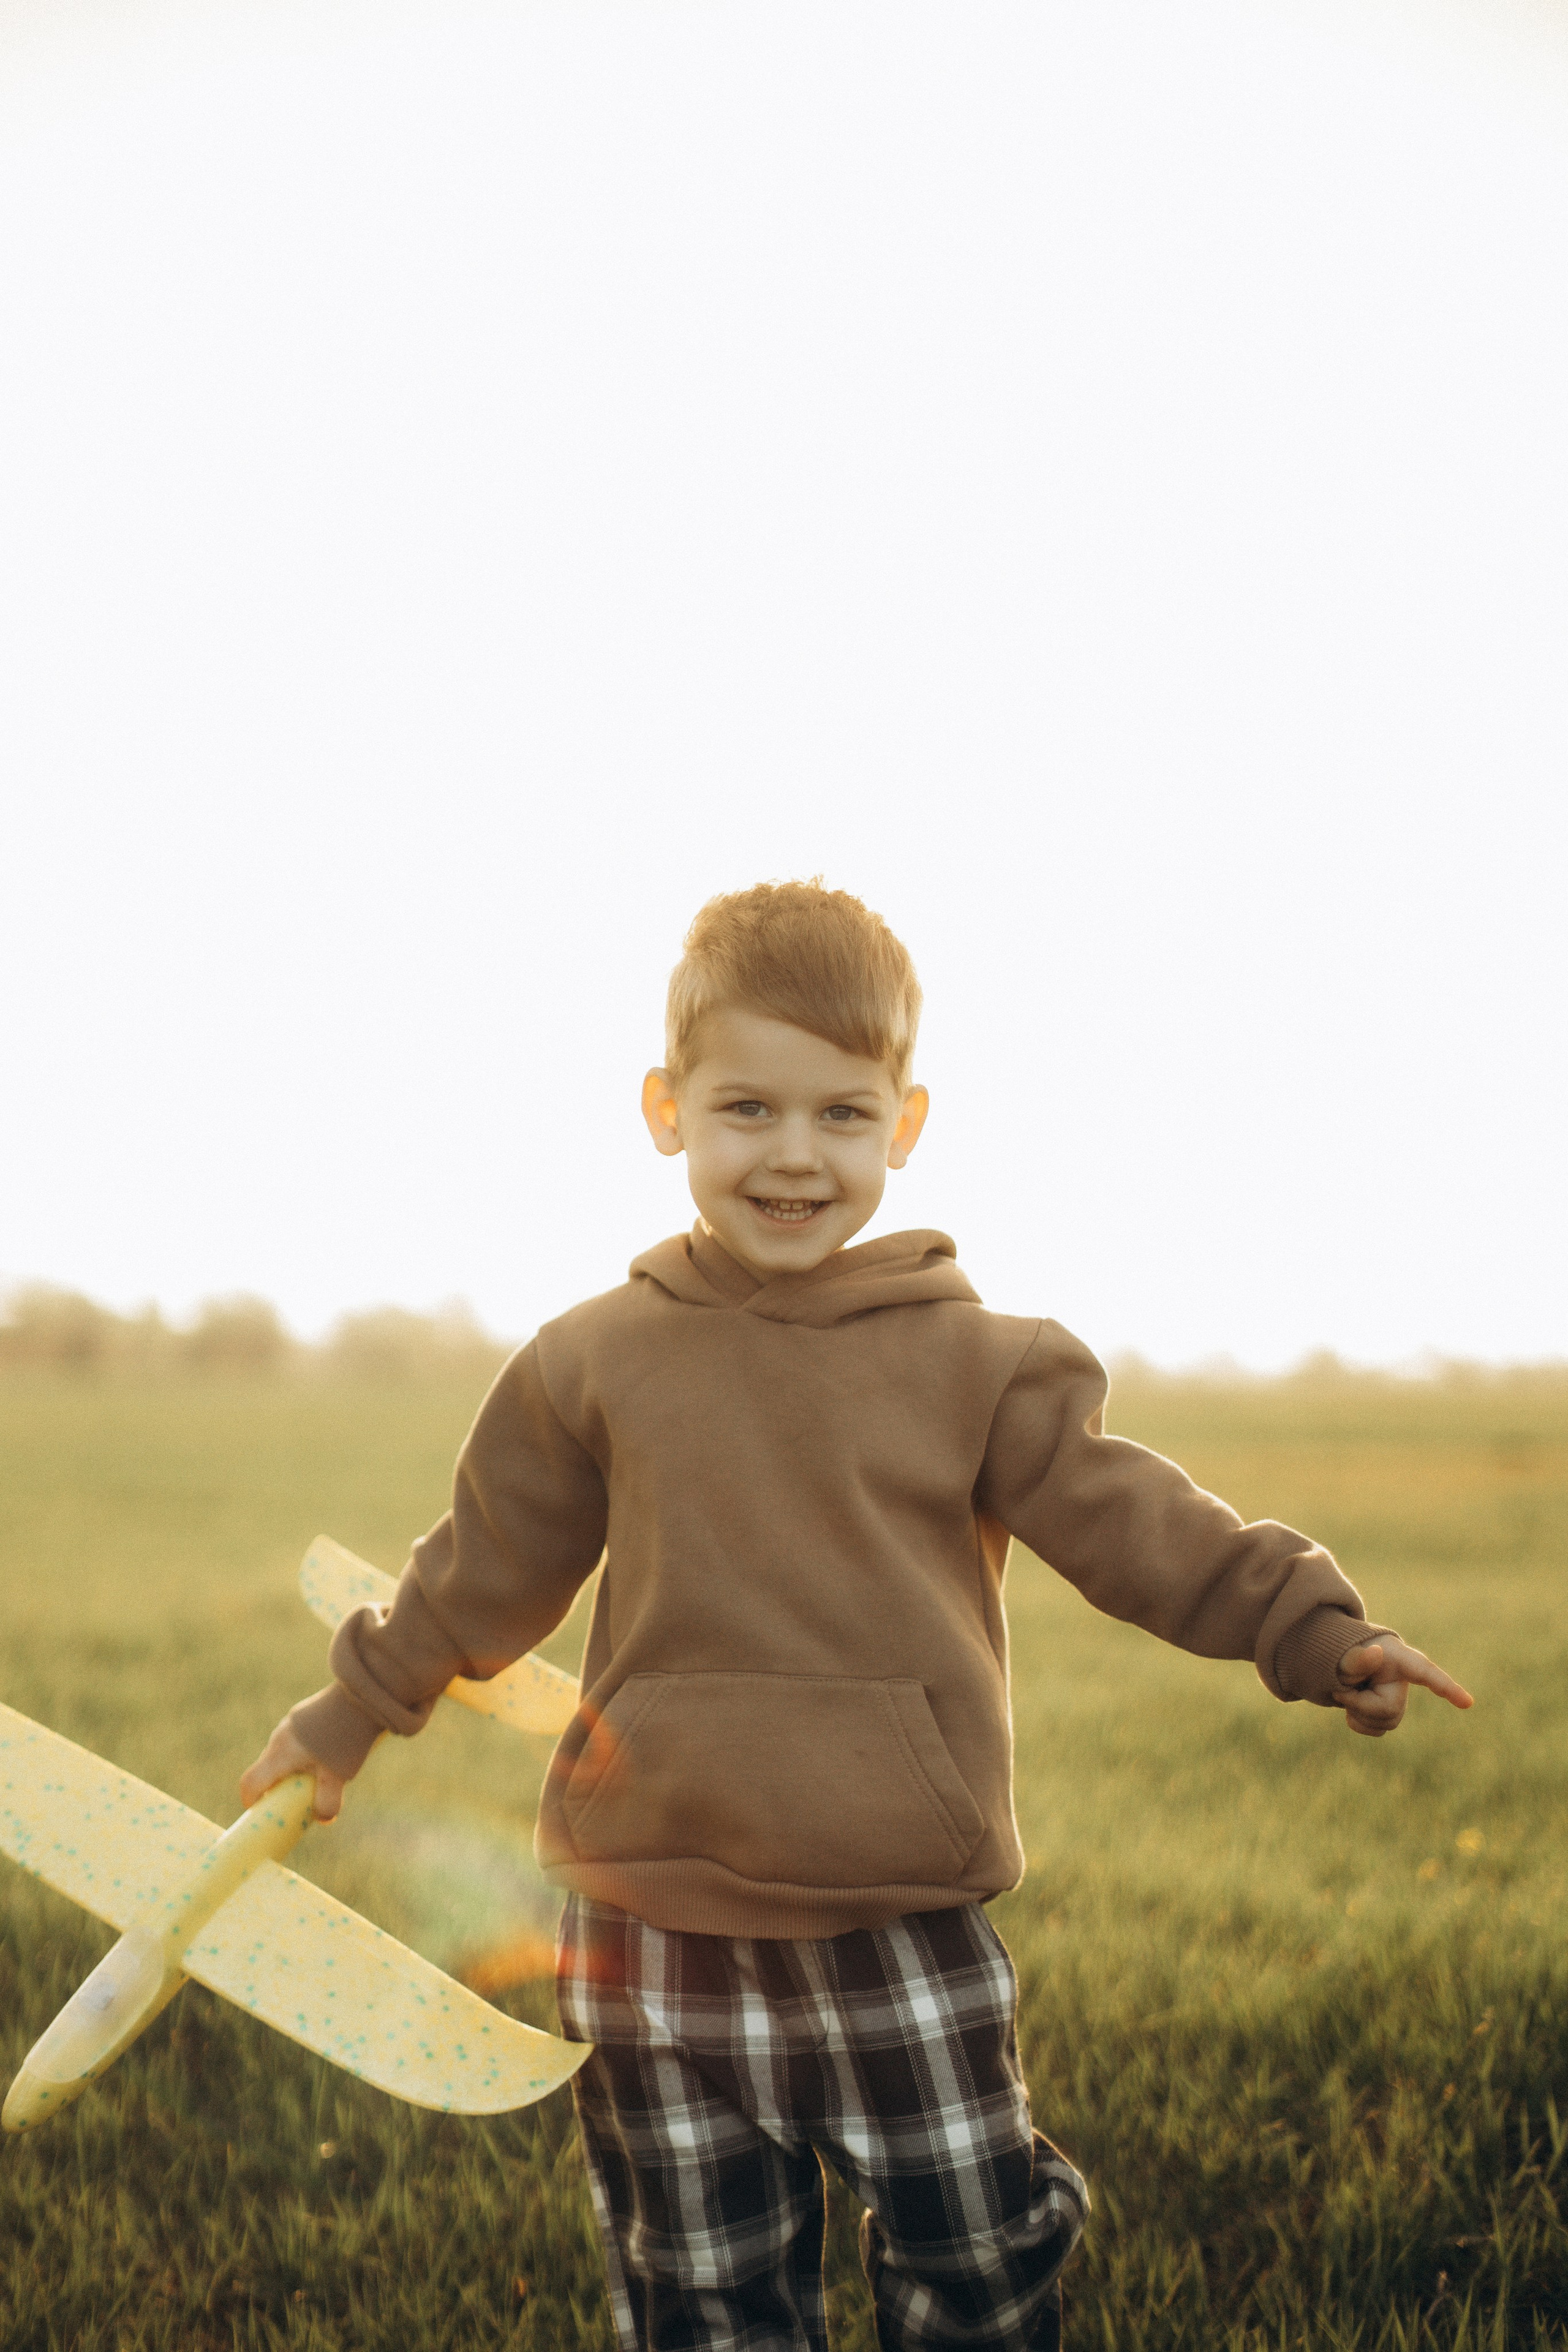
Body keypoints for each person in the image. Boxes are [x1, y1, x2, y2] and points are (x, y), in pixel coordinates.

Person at [241, 879, 1472, 2352]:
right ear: (666, 1109)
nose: (792, 1154)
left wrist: (1313, 1630)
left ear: (905, 1124)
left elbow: (1138, 1523)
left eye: (840, 1114)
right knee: (702, 2291)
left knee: (976, 2265)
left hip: (897, 1916)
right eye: (746, 1108)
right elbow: (480, 1569)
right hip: (646, 1928)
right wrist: (347, 1712)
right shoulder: (590, 1363)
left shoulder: (982, 1364)